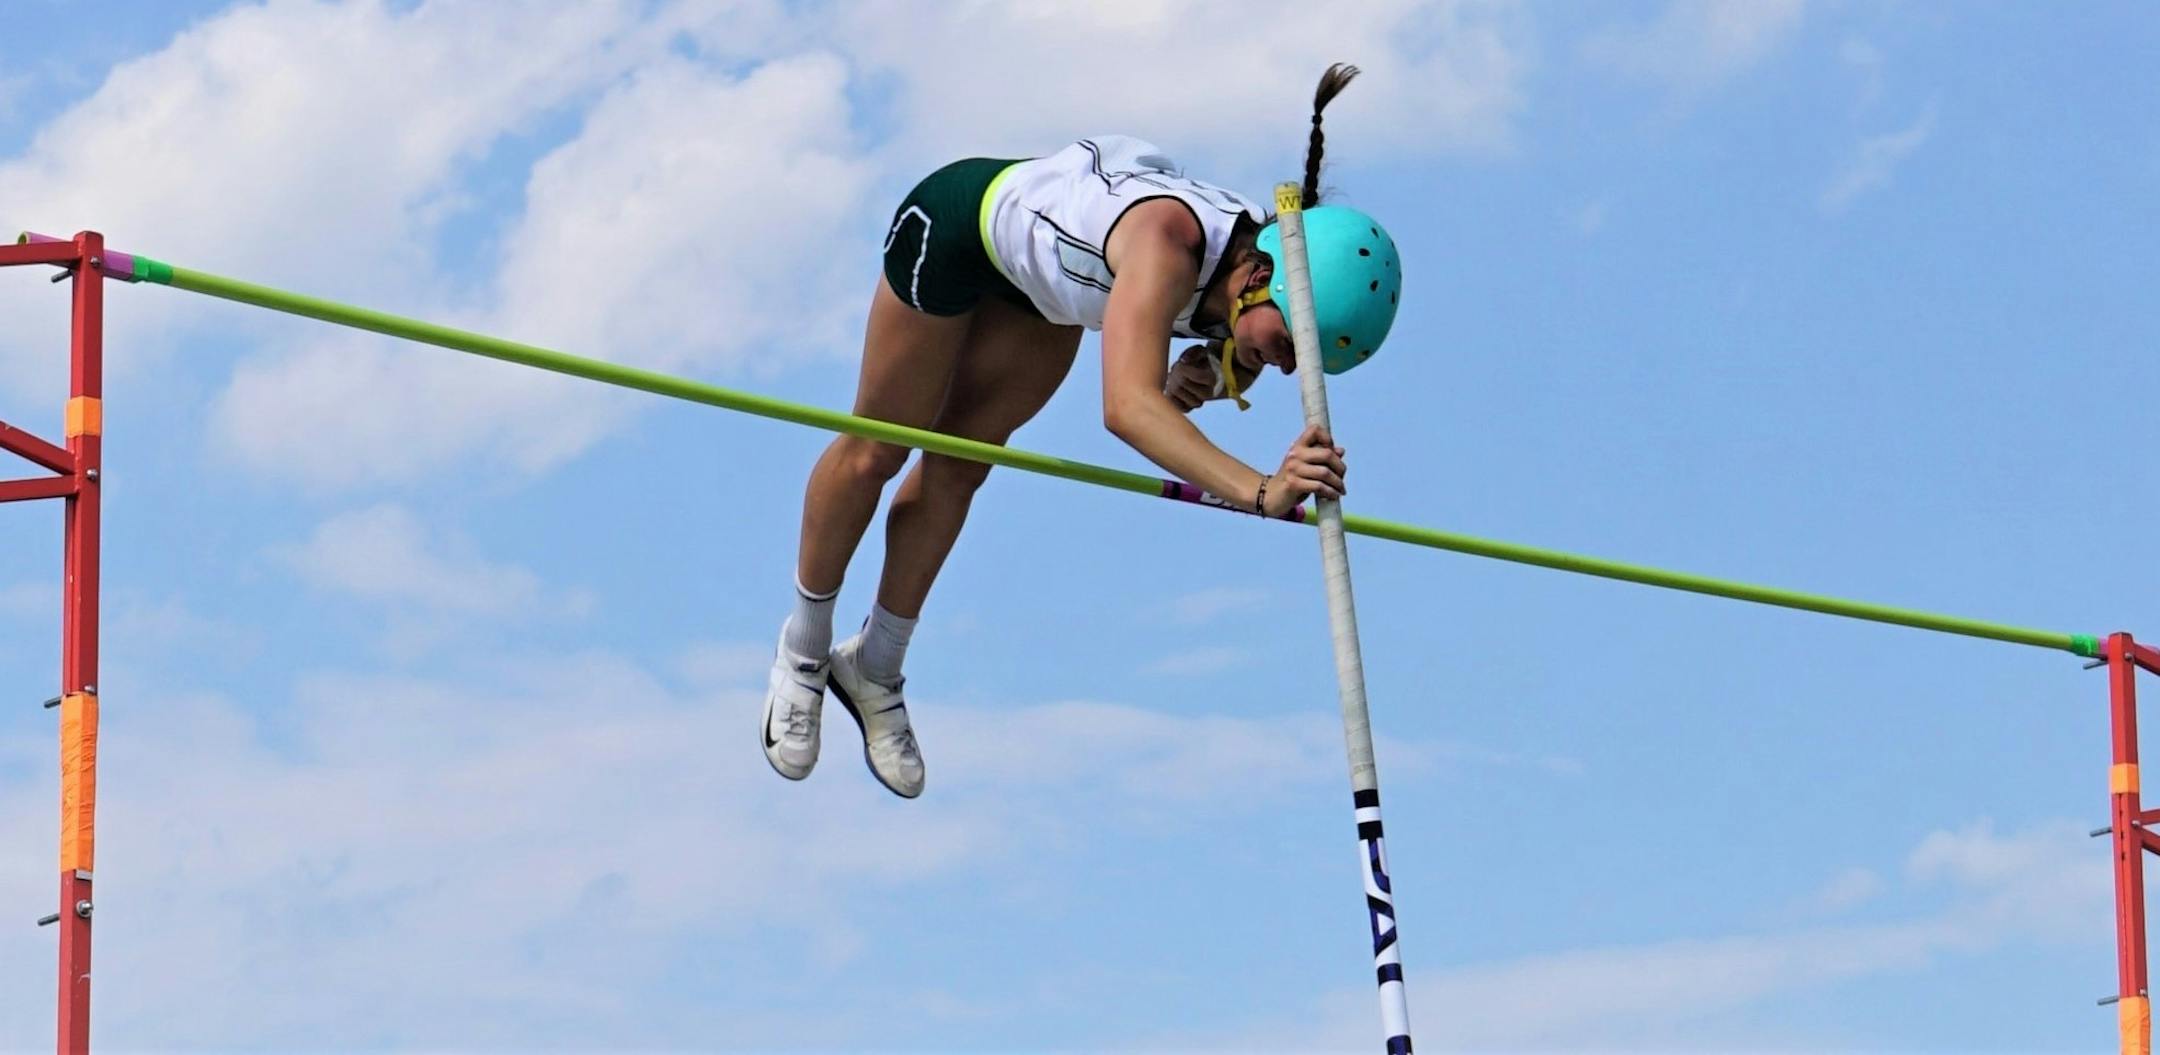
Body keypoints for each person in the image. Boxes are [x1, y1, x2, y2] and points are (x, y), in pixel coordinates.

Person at [763, 63, 1403, 798]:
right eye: (1288, 344)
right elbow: (1126, 406)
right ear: (1260, 277)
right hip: (957, 232)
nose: (1285, 366)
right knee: (879, 447)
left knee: (960, 467)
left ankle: (874, 668)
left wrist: (1217, 370)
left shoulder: (1251, 271)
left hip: (1044, 301)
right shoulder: (1166, 242)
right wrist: (1262, 491)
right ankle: (802, 652)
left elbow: (1232, 350)